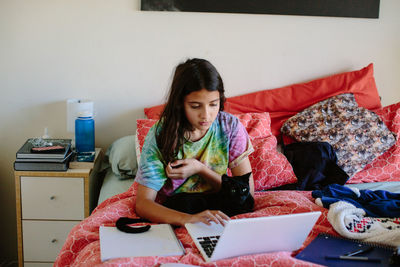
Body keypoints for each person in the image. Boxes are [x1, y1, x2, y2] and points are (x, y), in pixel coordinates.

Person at [135, 58, 254, 227]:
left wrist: (200, 169)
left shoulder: (230, 127)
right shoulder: (161, 134)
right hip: (174, 214)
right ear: (180, 104)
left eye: (213, 104)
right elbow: (143, 204)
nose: (206, 115)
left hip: (221, 212)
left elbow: (249, 195)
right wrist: (190, 220)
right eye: (195, 106)